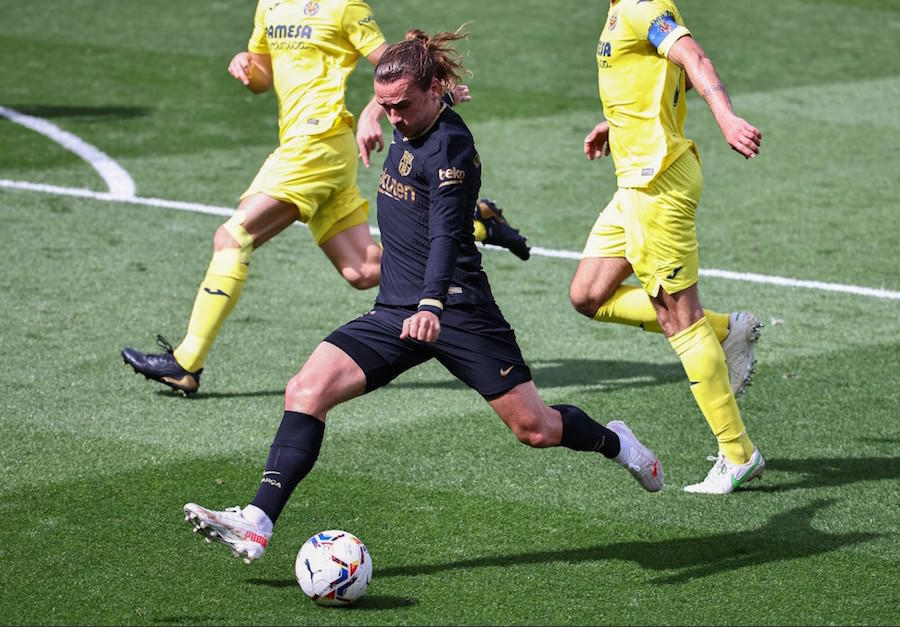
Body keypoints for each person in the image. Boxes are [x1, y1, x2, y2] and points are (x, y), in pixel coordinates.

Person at [181, 29, 664, 564]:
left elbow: (445, 237)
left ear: (434, 91)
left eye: (401, 106)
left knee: (536, 429)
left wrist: (432, 305)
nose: (393, 117)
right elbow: (401, 81)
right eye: (384, 106)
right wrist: (370, 116)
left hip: (456, 310)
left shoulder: (451, 148)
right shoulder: (414, 105)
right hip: (395, 310)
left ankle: (615, 442)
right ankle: (257, 521)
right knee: (306, 388)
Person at [120, 0, 530, 396]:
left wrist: (374, 114)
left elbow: (396, 65)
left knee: (232, 237)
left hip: (320, 143)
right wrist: (248, 68)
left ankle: (187, 362)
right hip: (301, 143)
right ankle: (475, 224)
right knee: (363, 269)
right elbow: (263, 73)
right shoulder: (270, 4)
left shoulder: (343, 5)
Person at [568, 0, 765, 494]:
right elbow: (645, 80)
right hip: (633, 185)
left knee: (680, 319)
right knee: (588, 295)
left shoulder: (641, 7)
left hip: (657, 183)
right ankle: (727, 331)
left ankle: (738, 453)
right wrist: (613, 125)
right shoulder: (622, 9)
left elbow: (695, 59)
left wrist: (726, 118)